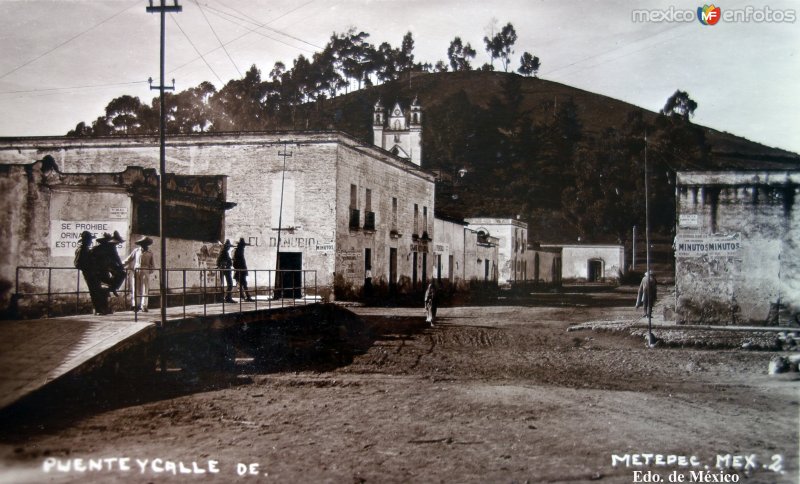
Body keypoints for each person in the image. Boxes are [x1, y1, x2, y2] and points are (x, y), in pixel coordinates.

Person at [74, 231, 110, 315]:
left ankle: (99, 309)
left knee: (97, 290)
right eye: (89, 239)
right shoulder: (81, 249)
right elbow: (77, 263)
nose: (91, 241)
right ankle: (97, 310)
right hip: (89, 274)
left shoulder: (86, 249)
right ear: (85, 240)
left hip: (93, 273)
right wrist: (88, 267)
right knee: (94, 291)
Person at [123, 236, 155, 312]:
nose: (143, 245)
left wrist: (150, 271)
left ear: (147, 244)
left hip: (145, 270)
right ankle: (135, 305)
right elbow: (128, 259)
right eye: (142, 243)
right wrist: (120, 265)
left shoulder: (150, 252)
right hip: (136, 270)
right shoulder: (136, 251)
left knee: (145, 288)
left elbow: (152, 264)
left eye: (145, 243)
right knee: (135, 287)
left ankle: (144, 305)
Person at [92, 231, 126, 299]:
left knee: (121, 273)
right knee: (103, 282)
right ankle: (111, 288)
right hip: (100, 268)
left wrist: (120, 265)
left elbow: (116, 257)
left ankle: (113, 287)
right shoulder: (96, 249)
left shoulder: (111, 247)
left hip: (107, 266)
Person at [233, 237, 255, 302]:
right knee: (244, 284)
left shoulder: (237, 251)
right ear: (241, 245)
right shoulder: (238, 251)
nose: (244, 247)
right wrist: (239, 269)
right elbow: (235, 262)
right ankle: (247, 297)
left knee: (241, 284)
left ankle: (243, 296)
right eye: (243, 245)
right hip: (240, 271)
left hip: (240, 271)